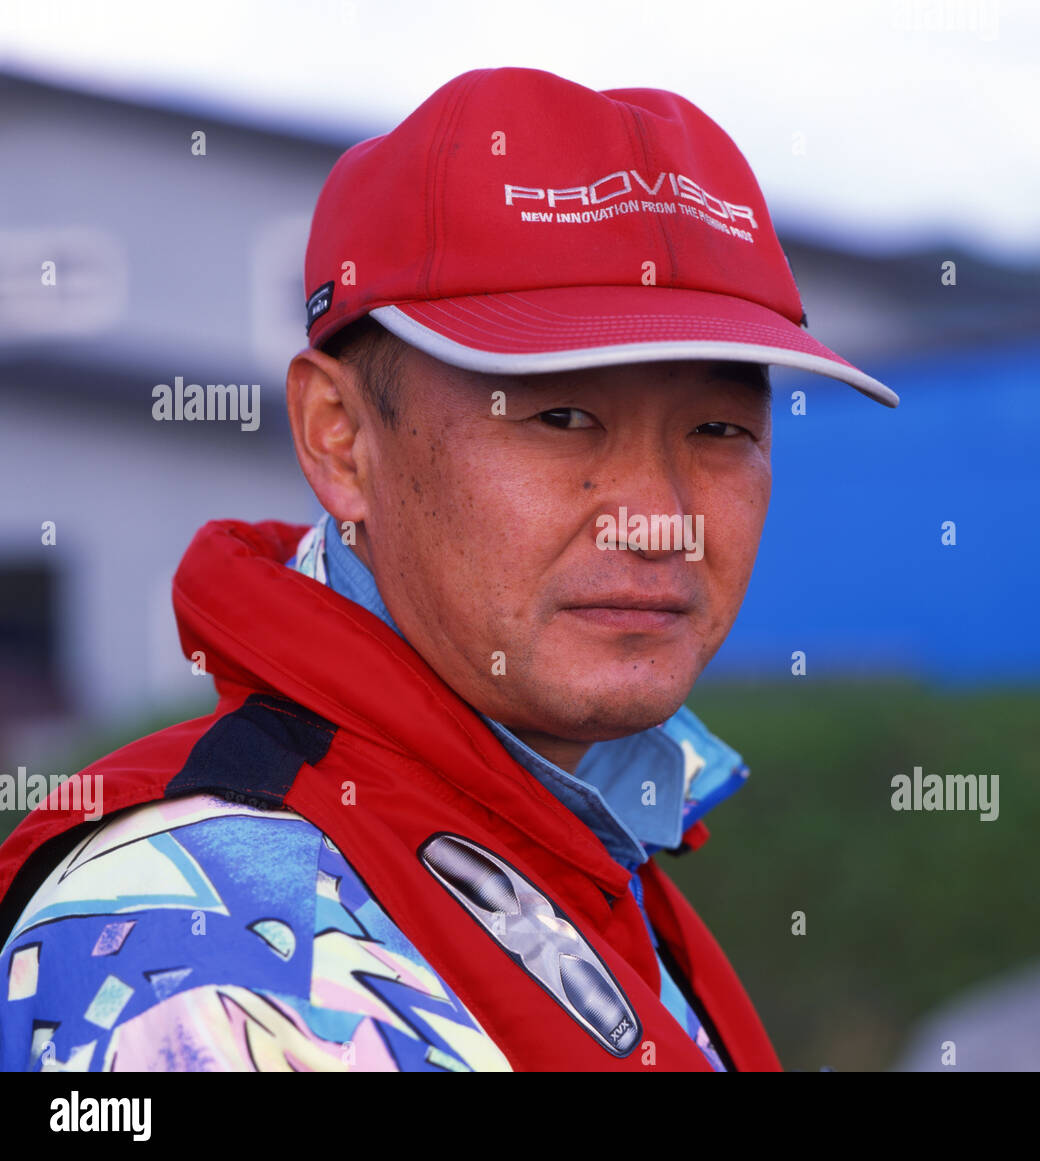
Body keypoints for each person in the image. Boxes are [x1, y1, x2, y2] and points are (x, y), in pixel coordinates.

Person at [0, 65, 897, 1072]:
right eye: (563, 416)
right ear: (341, 439)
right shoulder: (215, 960)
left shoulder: (582, 835)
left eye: (719, 429)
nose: (658, 519)